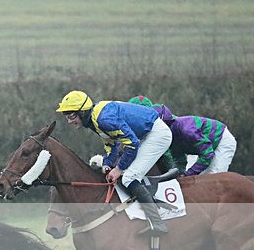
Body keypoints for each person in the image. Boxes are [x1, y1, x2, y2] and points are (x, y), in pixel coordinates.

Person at [56, 90, 172, 235]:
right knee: (126, 174)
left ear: (83, 111)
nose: (69, 121)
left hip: (156, 135)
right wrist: (107, 162)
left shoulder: (103, 119)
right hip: (146, 134)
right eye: (67, 117)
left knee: (129, 177)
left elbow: (131, 144)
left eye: (72, 116)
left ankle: (158, 224)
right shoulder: (94, 119)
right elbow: (112, 144)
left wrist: (118, 168)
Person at [128, 96, 237, 176]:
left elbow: (208, 154)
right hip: (198, 146)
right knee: (191, 180)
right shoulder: (168, 135)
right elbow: (179, 157)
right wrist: (179, 174)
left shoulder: (186, 129)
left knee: (213, 177)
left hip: (221, 140)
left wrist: (188, 174)